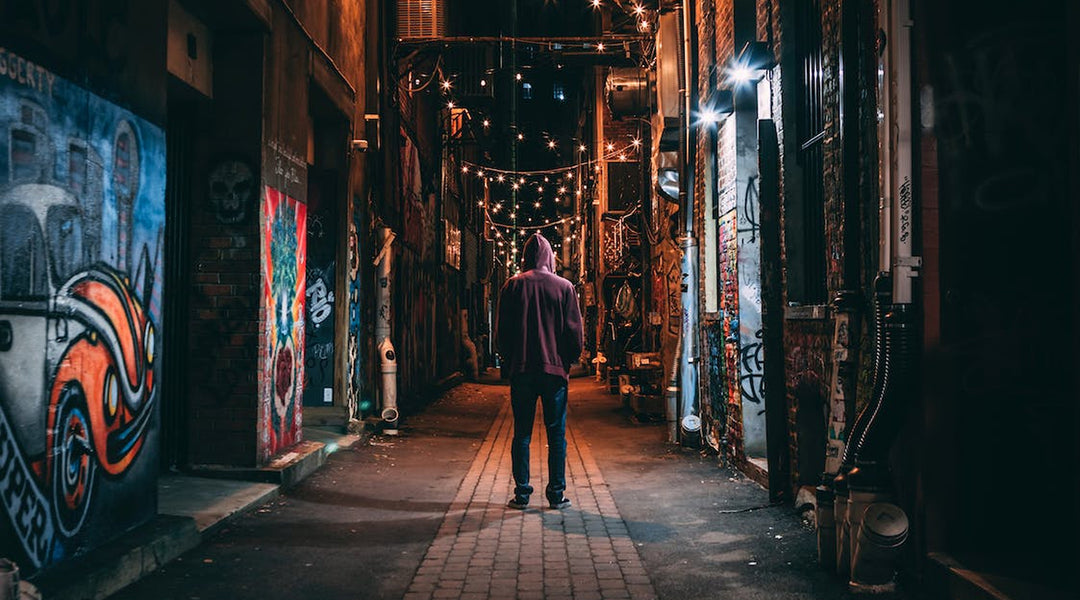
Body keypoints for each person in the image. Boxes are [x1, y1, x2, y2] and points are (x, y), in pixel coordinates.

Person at [496, 233, 584, 510]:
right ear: (550, 257)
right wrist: (568, 360)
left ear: (525, 257)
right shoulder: (564, 287)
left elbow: (502, 333)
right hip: (554, 372)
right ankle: (556, 494)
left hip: (522, 370)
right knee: (556, 434)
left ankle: (522, 494)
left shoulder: (512, 286)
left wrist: (509, 361)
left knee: (521, 433)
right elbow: (574, 332)